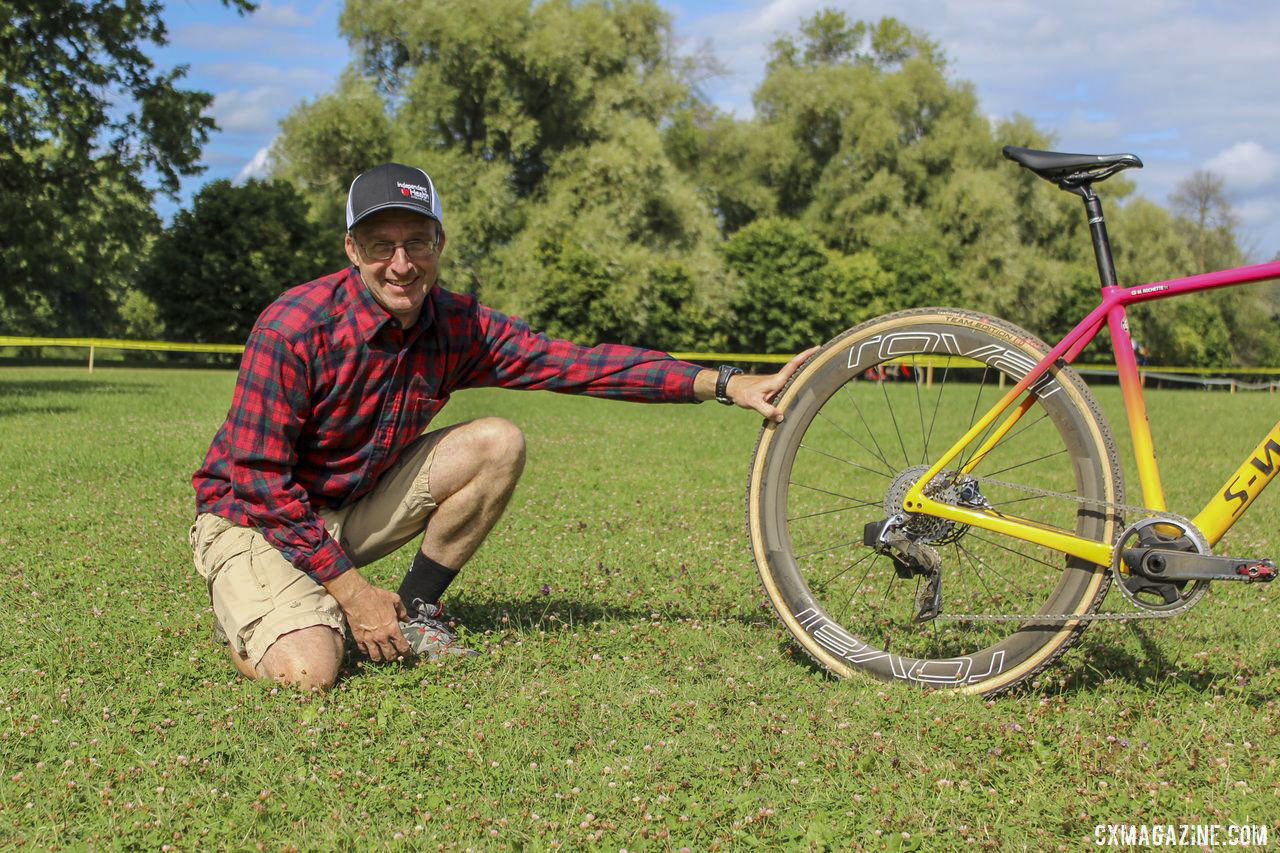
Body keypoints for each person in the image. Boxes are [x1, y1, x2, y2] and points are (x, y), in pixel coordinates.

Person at [189, 163, 814, 691]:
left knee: (498, 441)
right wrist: (350, 593)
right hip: (255, 520)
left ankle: (419, 610)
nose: (401, 264)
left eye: (417, 242)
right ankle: (255, 606)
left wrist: (729, 383)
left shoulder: (457, 325)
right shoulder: (295, 327)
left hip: (350, 507)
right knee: (312, 672)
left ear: (440, 242)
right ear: (353, 251)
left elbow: (582, 366)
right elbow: (258, 480)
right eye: (381, 245)